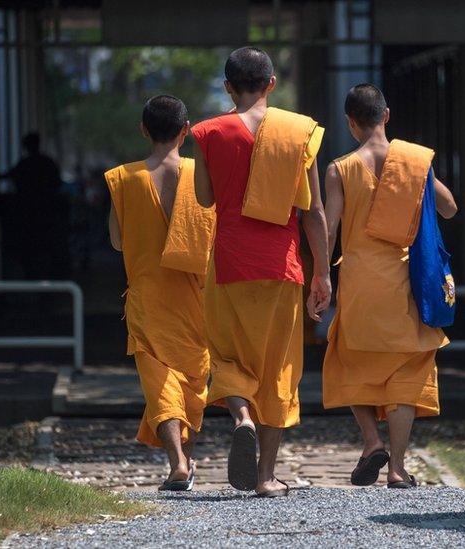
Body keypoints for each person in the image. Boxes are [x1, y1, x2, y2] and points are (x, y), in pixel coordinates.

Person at [192, 46, 331, 497]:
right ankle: (267, 477)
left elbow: (206, 198)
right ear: (271, 83)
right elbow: (313, 212)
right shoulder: (297, 133)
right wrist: (323, 274)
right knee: (279, 368)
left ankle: (241, 417)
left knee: (227, 354)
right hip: (281, 265)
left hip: (230, 263)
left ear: (228, 86)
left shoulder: (210, 132)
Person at [322, 84, 457, 488]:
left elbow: (329, 228)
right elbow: (450, 207)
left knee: (348, 362)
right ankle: (397, 468)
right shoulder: (414, 162)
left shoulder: (339, 169)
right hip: (406, 283)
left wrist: (319, 278)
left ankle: (370, 441)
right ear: (387, 115)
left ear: (350, 123)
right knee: (407, 370)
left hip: (361, 282)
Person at [106, 95, 215, 491]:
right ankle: (187, 458)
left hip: (148, 297)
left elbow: (118, 241)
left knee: (158, 379)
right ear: (185, 131)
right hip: (195, 296)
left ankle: (178, 463)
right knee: (192, 380)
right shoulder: (199, 173)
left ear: (143, 130)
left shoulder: (124, 178)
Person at [2, 132, 68, 279]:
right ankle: (48, 275)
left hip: (28, 213)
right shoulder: (47, 163)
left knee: (32, 246)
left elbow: (9, 176)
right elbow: (57, 184)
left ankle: (35, 275)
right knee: (47, 246)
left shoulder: (25, 165)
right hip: (46, 212)